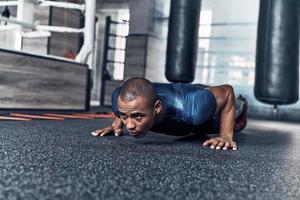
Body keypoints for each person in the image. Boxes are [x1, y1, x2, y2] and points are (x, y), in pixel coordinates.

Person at [91, 77, 248, 151]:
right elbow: (125, 96)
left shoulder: (193, 108)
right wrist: (116, 124)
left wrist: (226, 136)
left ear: (157, 107)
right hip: (187, 121)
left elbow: (227, 91)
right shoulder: (118, 100)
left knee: (238, 117)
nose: (130, 125)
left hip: (211, 116)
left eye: (138, 116)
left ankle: (243, 104)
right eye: (125, 116)